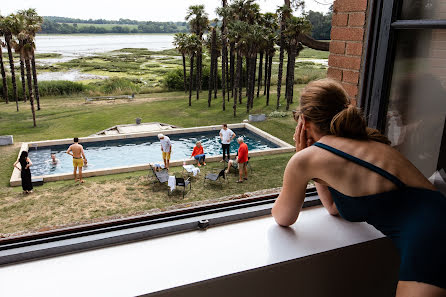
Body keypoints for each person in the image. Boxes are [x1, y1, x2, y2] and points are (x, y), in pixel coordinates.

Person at [271, 79, 446, 297]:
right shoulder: (368, 143)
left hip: (432, 240)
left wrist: (301, 158)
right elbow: (335, 207)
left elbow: (283, 216)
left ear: (303, 122)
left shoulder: (305, 159)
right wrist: (312, 171)